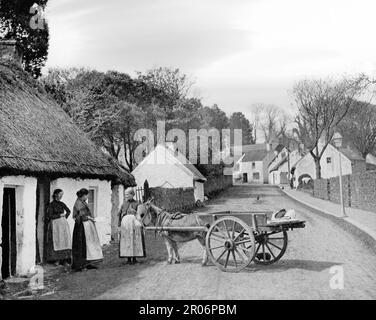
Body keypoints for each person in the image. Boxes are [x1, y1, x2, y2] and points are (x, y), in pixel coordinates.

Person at [71, 188, 103, 271]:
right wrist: (89, 217)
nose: (87, 197)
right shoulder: (78, 203)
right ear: (83, 195)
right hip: (81, 227)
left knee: (87, 245)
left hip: (86, 226)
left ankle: (87, 263)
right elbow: (78, 217)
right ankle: (80, 265)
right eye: (86, 195)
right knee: (81, 245)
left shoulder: (83, 202)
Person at [118, 187, 146, 264]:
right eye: (125, 194)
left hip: (134, 224)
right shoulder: (123, 204)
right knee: (126, 241)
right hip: (125, 225)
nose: (126, 196)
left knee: (135, 240)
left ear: (132, 194)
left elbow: (142, 214)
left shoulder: (137, 203)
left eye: (128, 194)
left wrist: (136, 212)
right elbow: (119, 215)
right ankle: (128, 258)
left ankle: (134, 258)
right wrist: (119, 226)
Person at [45, 189, 72, 266]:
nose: (61, 196)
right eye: (60, 194)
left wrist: (64, 218)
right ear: (56, 194)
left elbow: (68, 211)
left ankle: (64, 260)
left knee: (64, 241)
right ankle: (56, 260)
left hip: (62, 225)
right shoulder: (51, 205)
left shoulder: (62, 204)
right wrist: (59, 216)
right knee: (57, 241)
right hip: (55, 224)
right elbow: (49, 216)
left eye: (62, 194)